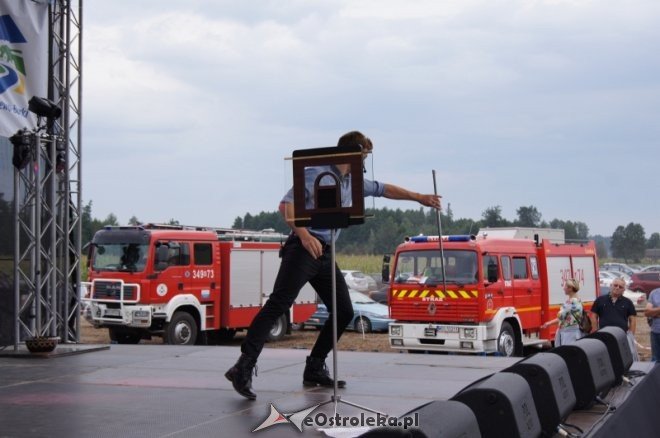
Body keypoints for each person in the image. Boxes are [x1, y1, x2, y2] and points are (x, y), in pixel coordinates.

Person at [224, 131, 442, 400]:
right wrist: (304, 235)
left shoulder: (353, 181)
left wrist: (419, 197)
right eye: (362, 157)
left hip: (326, 254)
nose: (363, 163)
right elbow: (286, 206)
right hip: (304, 248)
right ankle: (243, 367)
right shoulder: (314, 173)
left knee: (343, 311)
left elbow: (385, 189)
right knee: (278, 304)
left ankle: (314, 367)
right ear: (350, 154)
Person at [590, 277, 638, 360]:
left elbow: (632, 319)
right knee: (606, 358)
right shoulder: (600, 300)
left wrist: (630, 335)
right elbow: (593, 315)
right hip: (604, 336)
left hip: (621, 337)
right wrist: (595, 330)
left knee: (621, 359)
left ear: (624, 290)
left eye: (620, 287)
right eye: (615, 285)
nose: (617, 288)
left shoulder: (628, 302)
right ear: (611, 285)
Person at [541, 278, 583, 346]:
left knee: (566, 354)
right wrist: (548, 323)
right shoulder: (578, 300)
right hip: (573, 333)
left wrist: (549, 323)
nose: (564, 288)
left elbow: (560, 317)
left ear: (570, 288)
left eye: (565, 286)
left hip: (568, 334)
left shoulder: (571, 302)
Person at [644, 287, 660, 362]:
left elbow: (651, 312)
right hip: (656, 332)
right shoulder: (654, 293)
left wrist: (655, 313)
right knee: (655, 361)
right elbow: (647, 312)